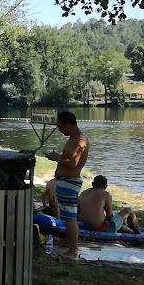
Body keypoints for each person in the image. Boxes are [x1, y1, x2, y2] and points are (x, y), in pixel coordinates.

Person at [41, 111, 89, 260]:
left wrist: (56, 158)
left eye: (60, 127)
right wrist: (58, 158)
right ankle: (68, 241)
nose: (59, 130)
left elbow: (74, 164)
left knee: (70, 218)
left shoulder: (79, 140)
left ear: (68, 124)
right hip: (64, 181)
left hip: (70, 182)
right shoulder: (73, 138)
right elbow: (68, 159)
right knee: (67, 216)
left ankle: (73, 251)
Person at [77, 175, 144, 234]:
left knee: (117, 223)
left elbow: (77, 214)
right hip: (102, 229)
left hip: (87, 227)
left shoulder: (83, 194)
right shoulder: (105, 194)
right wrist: (121, 221)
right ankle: (139, 234)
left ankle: (131, 232)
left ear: (92, 184)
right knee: (128, 210)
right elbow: (109, 216)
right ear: (106, 186)